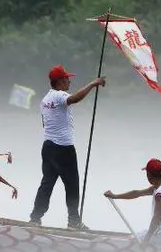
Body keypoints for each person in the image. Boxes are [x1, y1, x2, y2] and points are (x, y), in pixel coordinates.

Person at [29, 64, 106, 230]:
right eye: (67, 79)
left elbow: (46, 123)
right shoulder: (59, 95)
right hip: (63, 149)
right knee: (72, 185)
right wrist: (93, 84)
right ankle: (74, 221)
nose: (69, 82)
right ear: (60, 81)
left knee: (47, 183)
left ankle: (35, 218)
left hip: (48, 147)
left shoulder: (45, 100)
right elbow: (75, 99)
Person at [104, 158, 161, 245]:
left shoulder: (160, 195)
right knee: (133, 236)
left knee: (129, 240)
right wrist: (115, 196)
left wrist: (146, 241)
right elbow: (137, 193)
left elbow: (156, 218)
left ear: (149, 175)